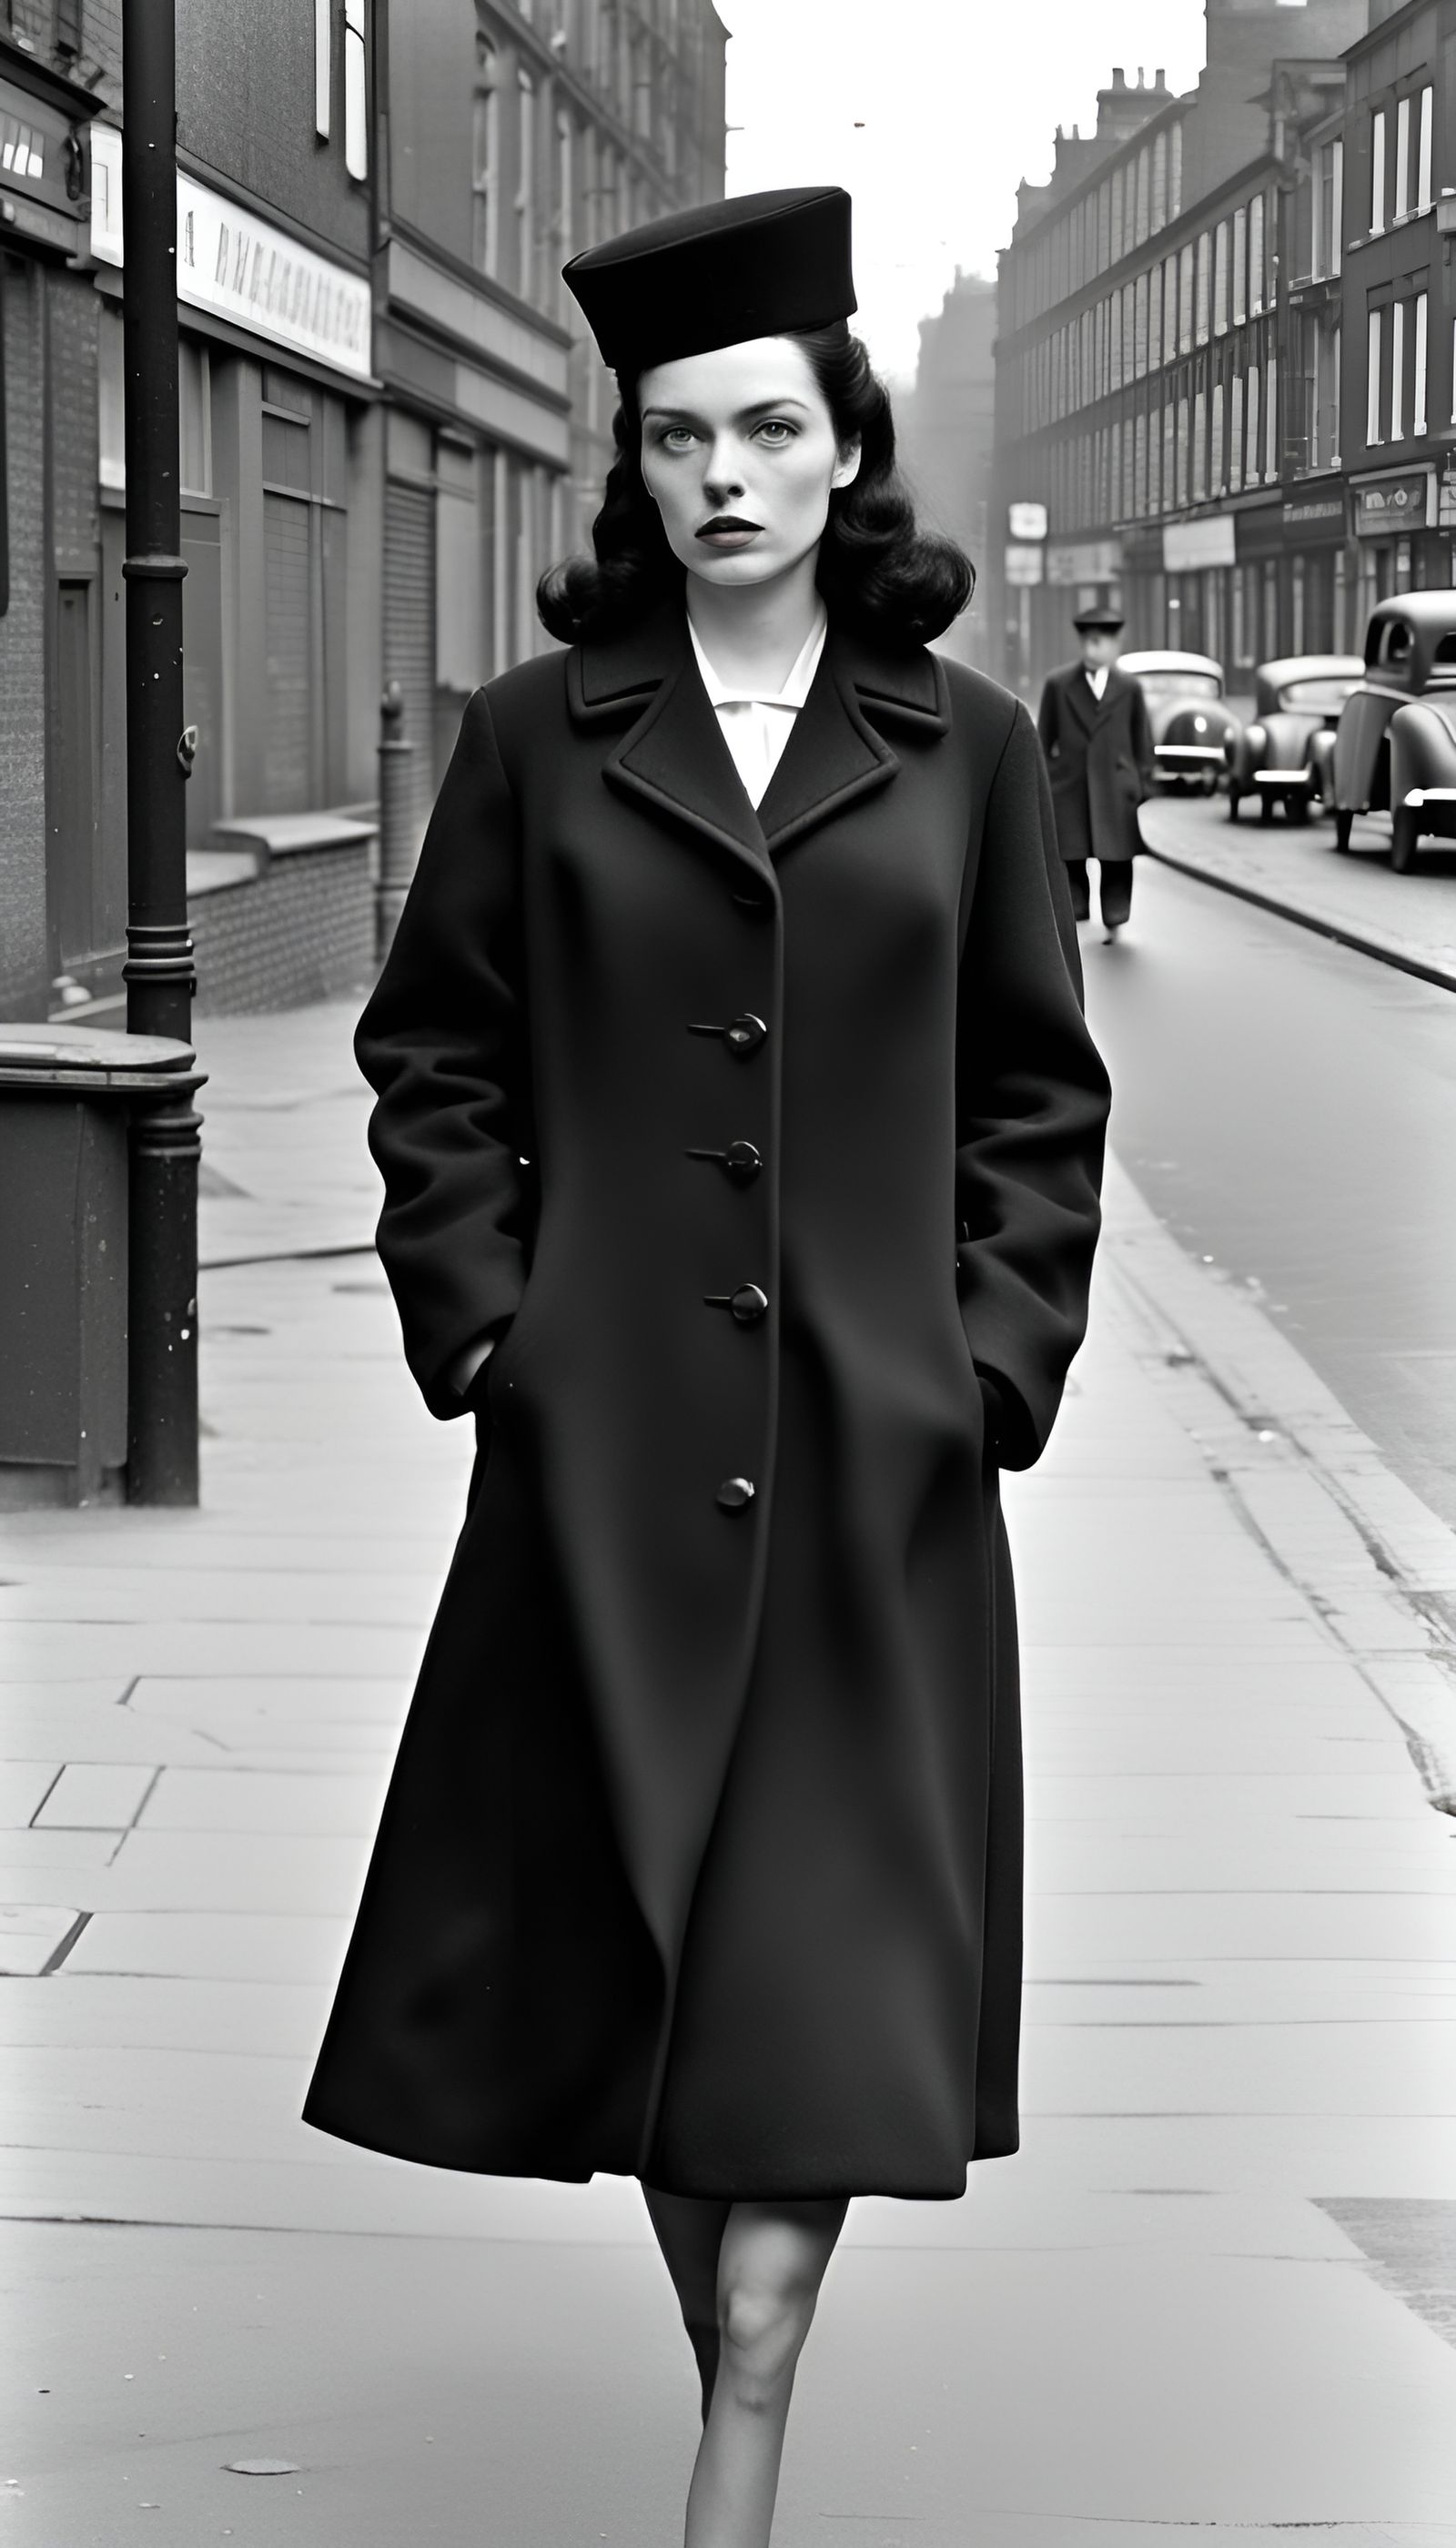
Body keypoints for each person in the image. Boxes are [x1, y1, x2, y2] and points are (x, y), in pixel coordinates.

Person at [305, 186, 1110, 2548]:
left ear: (846, 447)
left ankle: (739, 2440)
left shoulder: (962, 753)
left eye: (771, 427)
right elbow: (434, 1052)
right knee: (660, 2007)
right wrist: (493, 1327)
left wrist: (987, 1365)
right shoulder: (541, 740)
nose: (728, 477)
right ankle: (736, 2376)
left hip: (877, 1495)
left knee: (813, 2016)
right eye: (679, 441)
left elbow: (1035, 1102)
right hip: (604, 1482)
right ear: (635, 473)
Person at [1036, 603, 1154, 943]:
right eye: (1087, 642)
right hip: (1070, 784)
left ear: (1113, 646)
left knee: (1116, 855)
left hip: (1116, 785)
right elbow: (1044, 738)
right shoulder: (1059, 684)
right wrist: (1045, 781)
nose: (1092, 649)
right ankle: (1076, 909)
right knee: (1071, 854)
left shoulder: (1128, 687)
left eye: (1099, 642)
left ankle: (1116, 915)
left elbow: (1142, 738)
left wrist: (1142, 783)